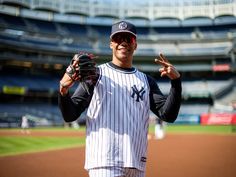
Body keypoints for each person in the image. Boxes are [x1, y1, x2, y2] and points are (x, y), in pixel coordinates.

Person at [58, 20, 182, 177]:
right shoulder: (94, 75)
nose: (123, 42)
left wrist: (176, 82)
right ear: (111, 44)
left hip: (136, 163)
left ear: (135, 45)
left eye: (128, 39)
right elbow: (70, 114)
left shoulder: (146, 81)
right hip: (104, 162)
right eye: (118, 38)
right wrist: (63, 90)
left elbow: (168, 115)